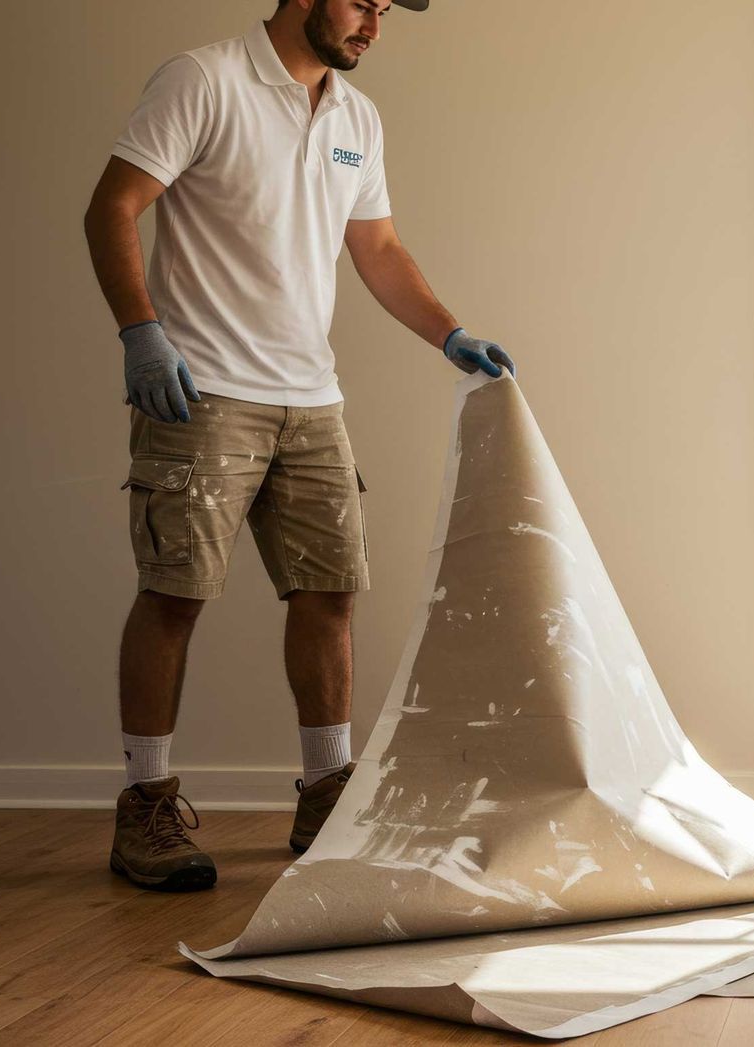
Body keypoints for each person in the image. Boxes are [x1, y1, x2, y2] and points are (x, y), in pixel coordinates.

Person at [82, 0, 512, 892]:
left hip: (312, 399)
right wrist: (140, 331)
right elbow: (111, 207)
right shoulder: (204, 80)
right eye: (363, 2)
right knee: (174, 594)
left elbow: (379, 247)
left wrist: (449, 332)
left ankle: (325, 793)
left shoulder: (356, 118)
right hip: (202, 391)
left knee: (330, 595)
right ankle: (146, 806)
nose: (374, 28)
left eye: (387, 10)